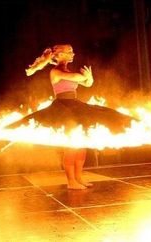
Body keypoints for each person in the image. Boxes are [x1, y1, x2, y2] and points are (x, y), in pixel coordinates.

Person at [8, 44, 133, 189]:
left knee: (81, 144)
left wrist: (89, 78)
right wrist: (84, 77)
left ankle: (79, 178)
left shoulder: (67, 70)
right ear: (60, 55)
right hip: (63, 108)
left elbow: (87, 83)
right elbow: (77, 78)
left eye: (72, 51)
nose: (73, 54)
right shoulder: (55, 72)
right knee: (71, 146)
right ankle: (71, 182)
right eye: (69, 52)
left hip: (75, 105)